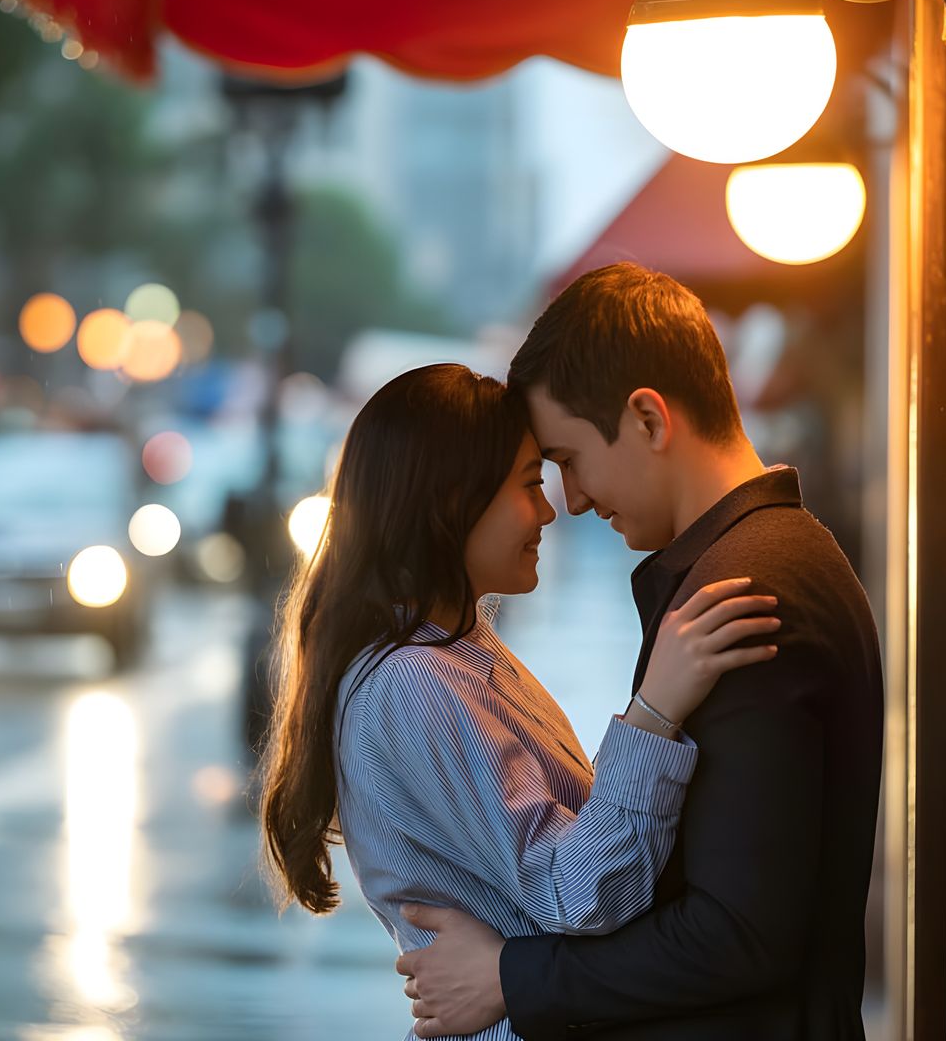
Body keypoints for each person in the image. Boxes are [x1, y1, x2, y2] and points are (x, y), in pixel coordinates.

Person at [395, 265, 884, 1041]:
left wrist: (510, 977)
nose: (574, 499)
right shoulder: (752, 562)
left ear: (649, 419)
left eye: (567, 457)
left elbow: (738, 935)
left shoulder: (745, 589)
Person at [257, 362, 781, 1040]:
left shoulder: (453, 647)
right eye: (532, 483)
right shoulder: (410, 680)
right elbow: (578, 891)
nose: (550, 509)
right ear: (451, 501)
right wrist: (655, 712)